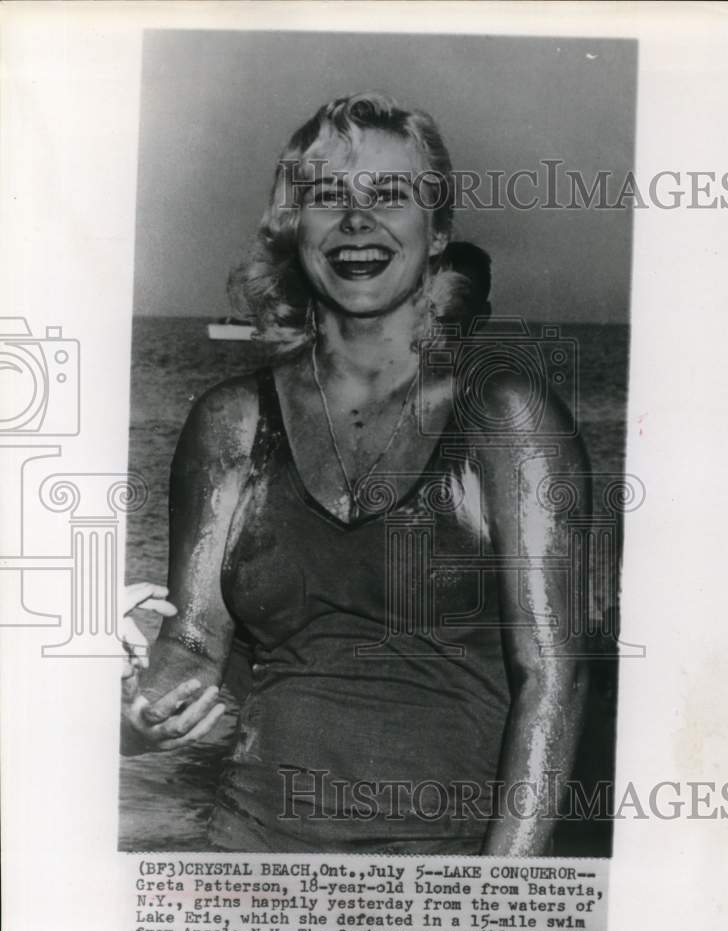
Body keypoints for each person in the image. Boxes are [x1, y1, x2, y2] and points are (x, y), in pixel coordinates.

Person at [121, 92, 589, 855]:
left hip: (442, 870)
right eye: (327, 197)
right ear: (292, 229)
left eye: (389, 196)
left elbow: (553, 680)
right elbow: (194, 646)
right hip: (247, 854)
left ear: (437, 232)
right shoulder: (232, 421)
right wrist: (134, 719)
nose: (356, 220)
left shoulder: (507, 416)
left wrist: (499, 904)